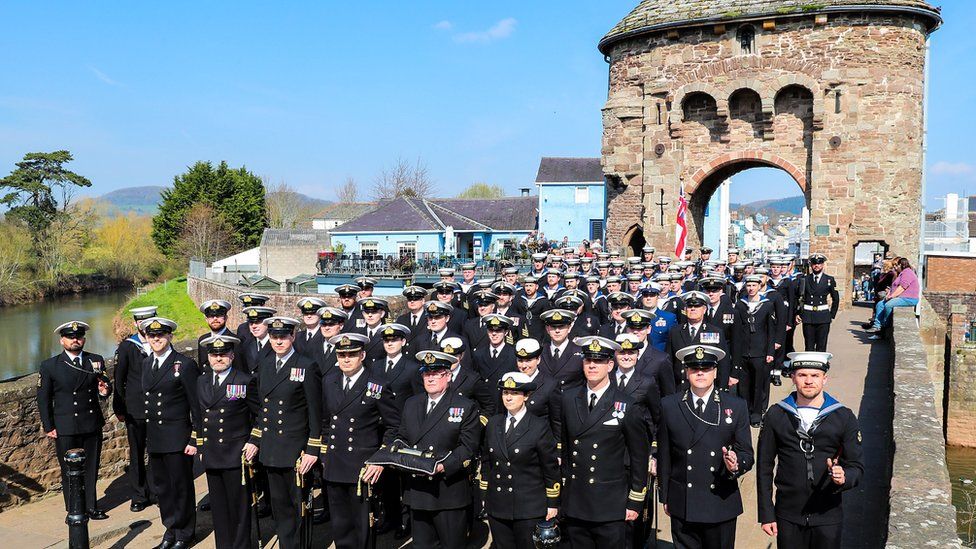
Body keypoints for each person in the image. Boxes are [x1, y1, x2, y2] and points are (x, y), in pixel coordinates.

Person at [757, 352, 864, 548]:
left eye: (815, 376)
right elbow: (764, 467)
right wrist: (766, 513)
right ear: (792, 377)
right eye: (802, 375)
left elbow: (856, 465)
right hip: (788, 514)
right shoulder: (776, 414)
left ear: (825, 379)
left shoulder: (844, 416)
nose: (808, 381)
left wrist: (844, 477)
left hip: (828, 514)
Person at [657, 345, 754, 549]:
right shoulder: (669, 405)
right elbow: (665, 455)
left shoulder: (735, 406)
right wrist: (665, 495)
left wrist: (736, 464)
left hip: (719, 502)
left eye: (706, 368)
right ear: (686, 371)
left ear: (716, 372)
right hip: (683, 501)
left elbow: (746, 453)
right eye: (694, 368)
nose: (700, 373)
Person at [559, 335, 650, 547]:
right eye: (588, 360)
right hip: (577, 500)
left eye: (598, 361)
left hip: (610, 502)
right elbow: (565, 447)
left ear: (610, 364)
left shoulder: (626, 404)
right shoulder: (568, 398)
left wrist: (635, 500)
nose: (592, 366)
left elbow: (639, 456)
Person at [322, 333, 401, 549]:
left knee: (362, 526)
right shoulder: (329, 381)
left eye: (352, 354)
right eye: (341, 354)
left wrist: (380, 459)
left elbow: (394, 426)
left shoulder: (376, 385)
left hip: (362, 466)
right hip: (335, 463)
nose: (346, 359)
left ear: (362, 355)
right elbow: (326, 422)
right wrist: (323, 455)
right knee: (340, 525)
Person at [397, 350, 483, 549]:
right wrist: (397, 453)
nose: (431, 378)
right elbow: (402, 436)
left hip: (447, 491)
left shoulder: (464, 406)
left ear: (448, 376)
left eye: (437, 373)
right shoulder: (411, 403)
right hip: (418, 490)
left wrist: (443, 466)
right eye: (427, 373)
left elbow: (468, 447)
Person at [251, 316, 322, 549]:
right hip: (271, 448)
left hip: (295, 449)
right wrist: (256, 440)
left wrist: (312, 448)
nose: (279, 341)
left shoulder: (306, 365)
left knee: (299, 505)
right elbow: (262, 406)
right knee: (280, 506)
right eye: (274, 336)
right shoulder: (265, 363)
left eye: (283, 336)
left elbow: (314, 410)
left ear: (293, 336)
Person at [38, 321, 111, 520]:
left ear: (84, 340)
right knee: (68, 469)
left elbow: (105, 386)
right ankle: (73, 508)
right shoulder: (50, 366)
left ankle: (91, 506)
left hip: (91, 422)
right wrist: (48, 425)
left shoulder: (94, 360)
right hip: (65, 426)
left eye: (78, 337)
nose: (75, 340)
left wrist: (105, 390)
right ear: (62, 341)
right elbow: (43, 399)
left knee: (91, 467)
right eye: (71, 337)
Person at [481, 371, 560, 549]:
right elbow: (487, 462)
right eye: (505, 393)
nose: (508, 397)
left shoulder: (539, 426)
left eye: (514, 393)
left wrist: (552, 503)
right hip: (498, 505)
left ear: (526, 396)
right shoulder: (494, 424)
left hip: (529, 506)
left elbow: (550, 468)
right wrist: (484, 495)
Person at [141, 317, 201, 549]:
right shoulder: (146, 363)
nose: (156, 339)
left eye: (161, 335)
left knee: (181, 487)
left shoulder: (183, 365)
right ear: (147, 338)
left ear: (170, 337)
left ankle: (185, 533)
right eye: (152, 336)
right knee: (162, 488)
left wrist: (195, 437)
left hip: (178, 437)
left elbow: (195, 405)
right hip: (155, 436)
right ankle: (170, 529)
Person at [195, 335, 258, 549]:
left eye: (223, 354)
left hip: (235, 454)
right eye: (214, 354)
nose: (218, 358)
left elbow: (259, 416)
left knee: (238, 508)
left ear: (232, 355)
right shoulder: (201, 381)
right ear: (208, 357)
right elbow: (198, 416)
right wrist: (201, 446)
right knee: (219, 509)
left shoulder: (244, 380)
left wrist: (253, 441)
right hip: (212, 454)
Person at [113, 305, 158, 512]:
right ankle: (139, 495)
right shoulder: (127, 347)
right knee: (137, 454)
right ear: (136, 323)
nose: (144, 324)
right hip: (136, 410)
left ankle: (158, 490)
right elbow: (119, 379)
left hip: (159, 409)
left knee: (158, 451)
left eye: (149, 320)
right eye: (141, 321)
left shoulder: (161, 342)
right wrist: (120, 407)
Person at [732, 275, 778, 427]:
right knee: (744, 385)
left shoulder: (767, 305)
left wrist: (770, 351)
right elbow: (736, 332)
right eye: (748, 285)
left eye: (754, 285)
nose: (751, 288)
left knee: (759, 385)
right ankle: (744, 412)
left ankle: (756, 413)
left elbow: (771, 331)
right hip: (744, 352)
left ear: (759, 286)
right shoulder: (740, 305)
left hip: (760, 351)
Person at [866, 257, 919, 338]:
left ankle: (885, 324)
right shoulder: (901, 274)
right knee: (880, 304)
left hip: (909, 298)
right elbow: (893, 286)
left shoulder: (907, 273)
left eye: (896, 266)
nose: (894, 267)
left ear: (901, 265)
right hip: (901, 297)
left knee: (889, 305)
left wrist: (891, 296)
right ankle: (876, 326)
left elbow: (902, 287)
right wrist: (889, 294)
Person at [796, 254, 839, 352]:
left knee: (821, 345)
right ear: (811, 265)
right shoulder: (804, 279)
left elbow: (835, 298)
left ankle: (821, 365)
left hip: (823, 316)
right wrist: (798, 313)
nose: (817, 266)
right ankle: (810, 365)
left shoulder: (829, 280)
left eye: (819, 263)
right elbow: (799, 297)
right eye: (814, 263)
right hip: (808, 315)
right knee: (809, 345)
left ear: (823, 265)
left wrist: (831, 315)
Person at [538, 309, 585, 391]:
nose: (557, 331)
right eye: (553, 327)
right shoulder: (540, 352)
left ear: (569, 328)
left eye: (561, 326)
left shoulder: (580, 352)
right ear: (547, 329)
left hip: (570, 401)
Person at [196, 300, 234, 370]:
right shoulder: (203, 340)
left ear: (225, 318)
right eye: (211, 316)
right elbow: (202, 367)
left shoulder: (235, 341)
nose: (215, 319)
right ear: (206, 319)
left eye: (219, 315)